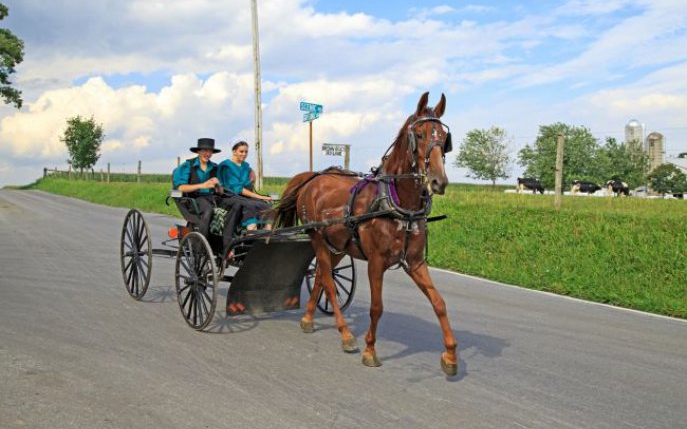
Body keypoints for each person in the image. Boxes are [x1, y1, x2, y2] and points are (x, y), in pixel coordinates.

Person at [172, 138, 240, 254]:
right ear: (198, 151)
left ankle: (228, 244)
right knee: (208, 210)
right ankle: (201, 246)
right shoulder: (188, 166)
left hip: (213, 197)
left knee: (236, 205)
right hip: (194, 198)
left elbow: (220, 191)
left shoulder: (215, 167)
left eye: (210, 152)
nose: (208, 154)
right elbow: (180, 187)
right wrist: (203, 185)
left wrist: (218, 185)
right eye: (205, 150)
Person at [218, 141, 272, 231]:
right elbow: (238, 189)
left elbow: (247, 185)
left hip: (243, 196)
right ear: (234, 151)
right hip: (229, 196)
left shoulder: (245, 166)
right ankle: (251, 232)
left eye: (246, 152)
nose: (244, 154)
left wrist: (253, 180)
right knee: (250, 205)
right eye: (241, 151)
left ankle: (267, 233)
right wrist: (260, 196)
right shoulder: (226, 166)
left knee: (266, 205)